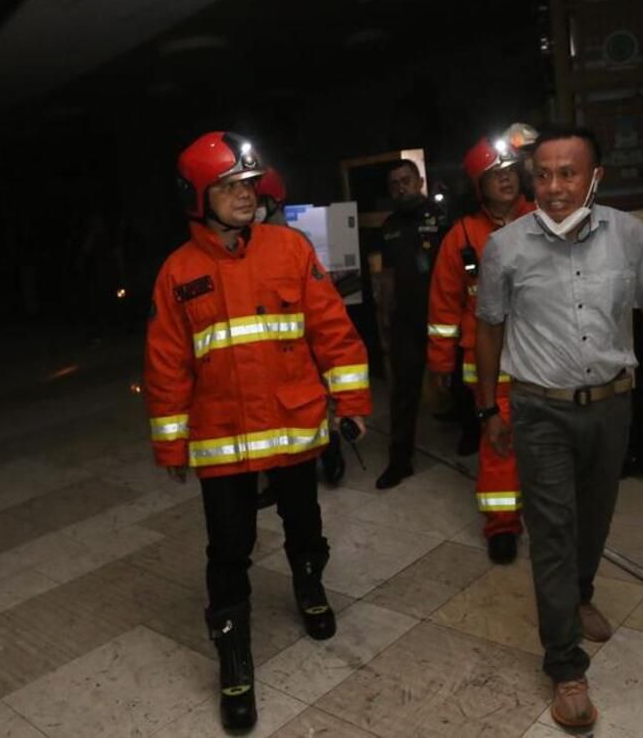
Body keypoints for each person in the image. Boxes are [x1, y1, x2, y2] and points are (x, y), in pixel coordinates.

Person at [474, 125, 643, 729]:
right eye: (544, 174)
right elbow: (490, 328)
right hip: (539, 408)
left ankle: (580, 594)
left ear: (594, 177)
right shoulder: (505, 247)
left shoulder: (630, 237)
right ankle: (565, 666)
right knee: (552, 528)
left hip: (612, 404)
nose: (553, 187)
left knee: (596, 515)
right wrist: (486, 409)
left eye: (568, 173)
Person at [144, 132, 371, 732]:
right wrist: (172, 443)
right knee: (227, 548)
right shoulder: (178, 272)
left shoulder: (289, 250)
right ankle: (234, 658)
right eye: (227, 186)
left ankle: (310, 587)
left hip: (293, 424)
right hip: (221, 438)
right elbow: (166, 365)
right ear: (197, 196)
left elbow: (333, 329)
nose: (244, 196)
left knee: (305, 523)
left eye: (247, 184)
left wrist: (349, 398)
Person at [427, 138, 535, 563]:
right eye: (495, 173)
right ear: (479, 185)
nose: (505, 177)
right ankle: (502, 527)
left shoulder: (544, 220)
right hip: (491, 369)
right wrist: (440, 360)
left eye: (510, 169)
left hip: (546, 362)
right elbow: (443, 304)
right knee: (499, 447)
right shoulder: (463, 237)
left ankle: (550, 517)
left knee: (549, 445)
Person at [252, 168, 347, 512]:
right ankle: (276, 481)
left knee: (315, 406)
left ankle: (331, 451)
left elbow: (320, 298)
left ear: (273, 201)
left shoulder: (296, 242)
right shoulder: (244, 245)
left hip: (300, 342)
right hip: (266, 349)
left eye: (259, 200)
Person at [368, 158, 449, 489]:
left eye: (406, 180)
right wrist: (385, 315)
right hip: (406, 320)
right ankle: (399, 461)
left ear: (419, 182)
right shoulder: (389, 226)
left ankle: (473, 437)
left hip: (445, 316)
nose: (401, 187)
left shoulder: (443, 217)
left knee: (464, 380)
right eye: (394, 184)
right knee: (403, 393)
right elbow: (386, 275)